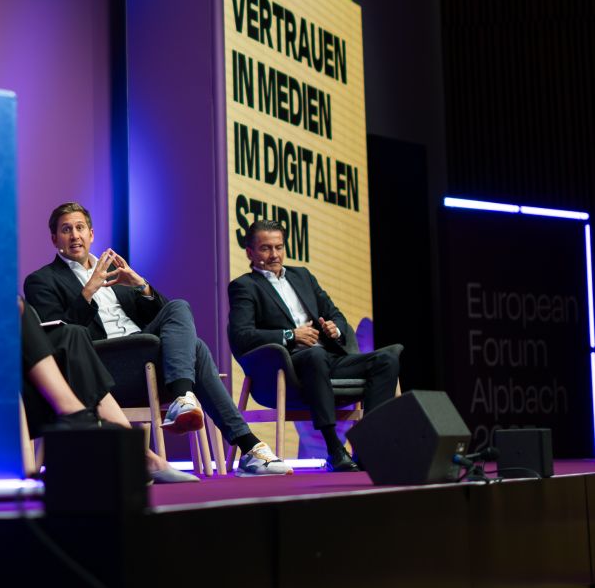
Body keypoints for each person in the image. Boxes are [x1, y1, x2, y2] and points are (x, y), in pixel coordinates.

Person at [24, 202, 290, 476]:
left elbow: (165, 316)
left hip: (143, 356)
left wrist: (140, 285)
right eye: (66, 230)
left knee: (180, 313)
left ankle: (218, 424)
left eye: (80, 228)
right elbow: (60, 339)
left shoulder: (115, 269)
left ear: (91, 233)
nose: (74, 236)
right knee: (196, 350)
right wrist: (88, 291)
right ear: (55, 238)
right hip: (102, 366)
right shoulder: (41, 281)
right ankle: (235, 437)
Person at [227, 219, 401, 472]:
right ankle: (334, 449)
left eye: (279, 247)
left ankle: (367, 448)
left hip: (327, 359)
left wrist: (335, 328)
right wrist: (290, 335)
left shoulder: (303, 276)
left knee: (388, 357)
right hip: (286, 368)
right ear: (250, 252)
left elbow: (335, 314)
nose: (274, 255)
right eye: (266, 248)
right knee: (313, 356)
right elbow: (242, 336)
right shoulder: (244, 286)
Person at [20, 301, 196, 483]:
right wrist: (86, 295)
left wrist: (144, 290)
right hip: (108, 355)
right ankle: (130, 449)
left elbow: (156, 314)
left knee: (73, 334)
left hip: (95, 355)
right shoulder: (43, 280)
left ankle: (136, 450)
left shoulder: (123, 288)